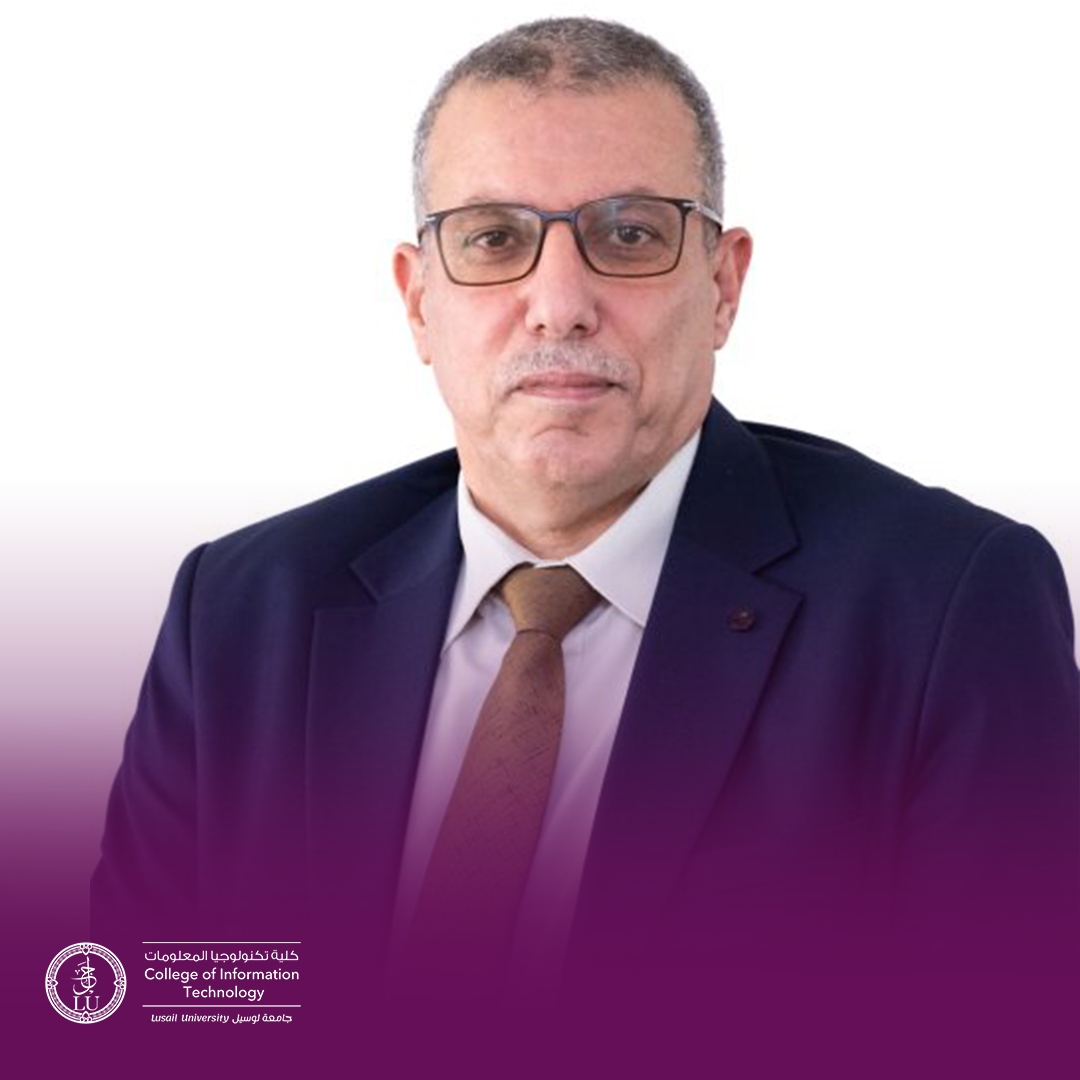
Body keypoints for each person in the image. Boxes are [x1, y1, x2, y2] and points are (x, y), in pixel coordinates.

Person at [93, 17, 1077, 1045]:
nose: (559, 304)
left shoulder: (947, 605)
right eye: (493, 238)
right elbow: (139, 1018)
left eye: (631, 234)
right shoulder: (240, 609)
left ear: (723, 286)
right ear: (418, 302)